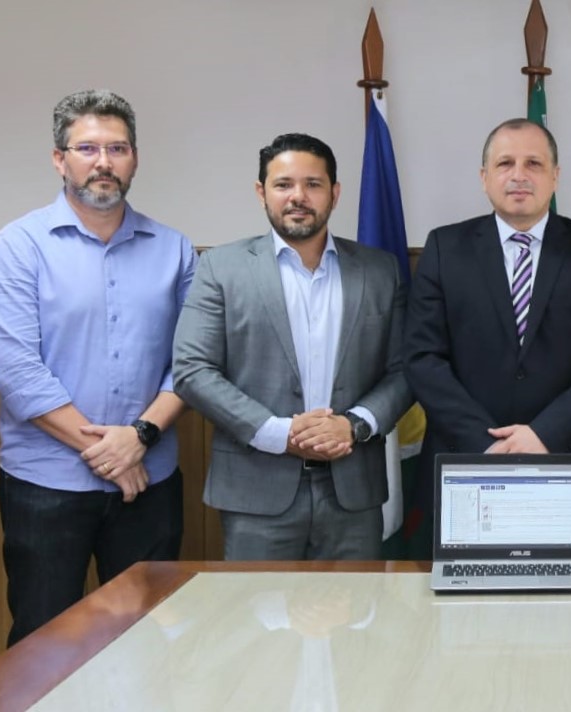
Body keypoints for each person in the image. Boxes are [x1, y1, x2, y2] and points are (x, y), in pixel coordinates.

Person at [0, 89, 196, 645]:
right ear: (60, 159)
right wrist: (110, 453)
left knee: (149, 639)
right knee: (42, 641)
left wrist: (139, 438)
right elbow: (14, 368)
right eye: (87, 148)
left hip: (148, 482)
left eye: (118, 148)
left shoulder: (174, 249)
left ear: (134, 158)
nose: (103, 162)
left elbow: (193, 362)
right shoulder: (16, 246)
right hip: (45, 484)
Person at [173, 133, 411, 561]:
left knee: (355, 623)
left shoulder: (380, 271)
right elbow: (193, 370)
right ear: (261, 192)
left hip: (352, 491)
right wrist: (279, 434)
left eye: (313, 184)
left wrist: (353, 425)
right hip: (256, 490)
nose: (298, 196)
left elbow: (405, 369)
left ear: (334, 194)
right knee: (257, 623)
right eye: (283, 184)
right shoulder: (220, 268)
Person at [404, 118, 571, 543]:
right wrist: (487, 442)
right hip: (467, 462)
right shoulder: (444, 248)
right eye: (505, 163)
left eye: (533, 163)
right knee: (465, 604)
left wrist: (544, 432)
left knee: (568, 603)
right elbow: (423, 358)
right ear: (484, 177)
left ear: (555, 176)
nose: (518, 175)